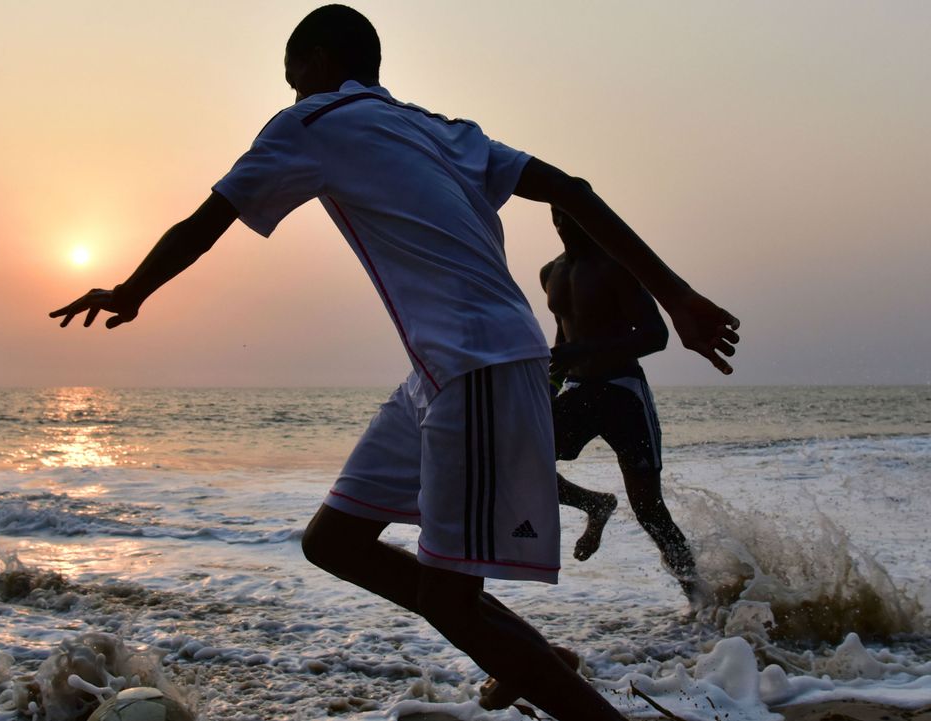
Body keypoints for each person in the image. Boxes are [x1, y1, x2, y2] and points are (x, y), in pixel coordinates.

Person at [49, 6, 739, 719]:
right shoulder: (443, 129)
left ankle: (573, 696)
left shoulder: (312, 122)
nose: (291, 96)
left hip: (481, 363)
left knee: (450, 601)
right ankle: (534, 658)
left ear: (315, 63)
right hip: (442, 372)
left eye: (293, 79)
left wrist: (132, 289)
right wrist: (677, 296)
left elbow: (210, 216)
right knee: (334, 540)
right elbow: (575, 191)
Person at [540, 194, 699, 594]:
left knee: (649, 510)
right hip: (577, 390)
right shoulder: (550, 272)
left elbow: (655, 336)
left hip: (622, 393)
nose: (564, 219)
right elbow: (565, 334)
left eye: (573, 211)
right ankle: (593, 504)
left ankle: (699, 597)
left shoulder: (614, 267)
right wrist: (551, 384)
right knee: (523, 460)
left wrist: (584, 350)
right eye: (558, 210)